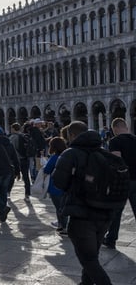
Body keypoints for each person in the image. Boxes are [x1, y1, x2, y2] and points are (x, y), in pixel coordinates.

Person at [53, 121, 116, 285]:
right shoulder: (104, 152)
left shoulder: (70, 153)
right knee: (91, 256)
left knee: (88, 260)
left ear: (72, 135)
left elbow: (58, 181)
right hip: (105, 214)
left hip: (82, 215)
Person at [103, 117, 136, 249]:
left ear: (115, 129)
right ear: (126, 127)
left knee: (116, 211)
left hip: (123, 181)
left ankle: (111, 239)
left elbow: (117, 161)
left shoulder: (115, 141)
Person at [42, 136, 68, 235]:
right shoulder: (67, 155)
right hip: (66, 186)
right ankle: (62, 225)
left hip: (55, 186)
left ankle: (63, 226)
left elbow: (47, 170)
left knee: (59, 208)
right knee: (63, 206)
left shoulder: (54, 158)